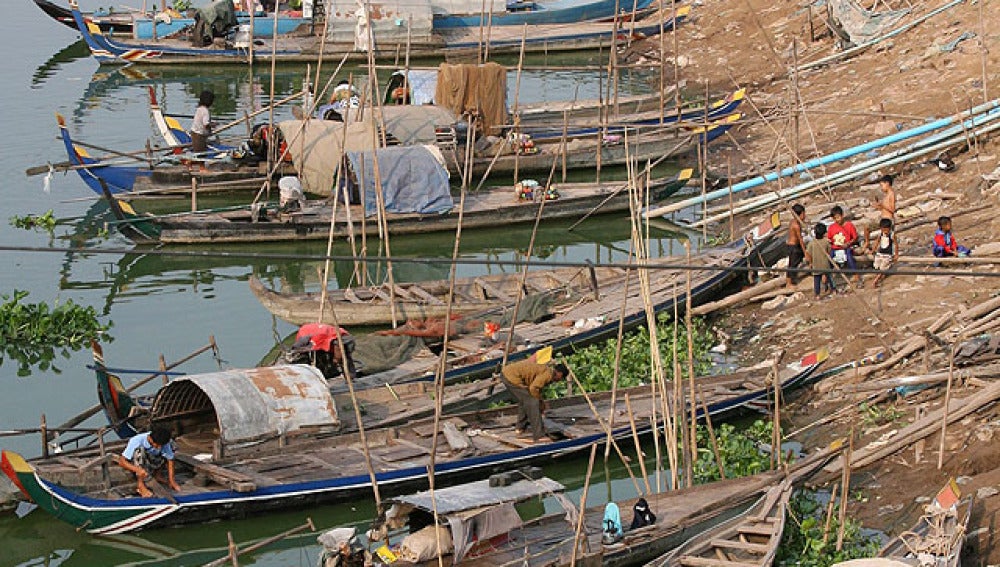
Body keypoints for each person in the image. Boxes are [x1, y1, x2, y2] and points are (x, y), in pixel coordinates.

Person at [499, 358, 568, 443]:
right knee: (533, 403)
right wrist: (539, 402)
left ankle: (520, 427)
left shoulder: (547, 371)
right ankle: (539, 435)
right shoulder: (548, 374)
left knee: (525, 400)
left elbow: (537, 389)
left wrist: (541, 402)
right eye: (561, 378)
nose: (559, 381)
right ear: (559, 374)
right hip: (511, 377)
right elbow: (533, 388)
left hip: (507, 373)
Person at [117, 425, 180, 498]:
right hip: (139, 461)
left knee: (172, 446)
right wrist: (138, 469)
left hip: (154, 459)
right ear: (151, 439)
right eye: (157, 445)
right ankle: (140, 485)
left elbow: (170, 459)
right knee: (140, 451)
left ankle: (158, 475)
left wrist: (172, 481)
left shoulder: (163, 443)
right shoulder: (137, 440)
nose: (159, 447)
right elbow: (121, 461)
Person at [827, 205, 862, 288]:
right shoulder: (831, 227)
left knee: (850, 258)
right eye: (835, 218)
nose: (837, 220)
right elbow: (829, 239)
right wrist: (830, 242)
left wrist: (849, 243)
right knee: (829, 261)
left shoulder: (849, 225)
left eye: (838, 217)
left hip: (846, 247)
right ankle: (829, 280)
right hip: (835, 248)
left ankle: (857, 277)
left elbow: (855, 237)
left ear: (842, 215)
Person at [865, 174, 897, 248]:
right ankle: (867, 243)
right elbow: (885, 208)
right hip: (882, 218)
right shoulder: (886, 195)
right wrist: (878, 206)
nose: (881, 188)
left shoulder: (891, 194)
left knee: (885, 241)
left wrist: (882, 205)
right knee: (867, 227)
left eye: (882, 185)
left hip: (888, 220)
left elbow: (892, 209)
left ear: (887, 183)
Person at [806, 223, 836, 299]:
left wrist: (810, 263)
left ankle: (817, 294)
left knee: (817, 280)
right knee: (830, 277)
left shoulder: (811, 243)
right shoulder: (826, 242)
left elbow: (808, 254)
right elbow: (829, 251)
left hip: (816, 265)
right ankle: (834, 289)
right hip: (825, 264)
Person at [868, 218, 898, 288]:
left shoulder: (892, 235)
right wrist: (873, 249)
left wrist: (896, 254)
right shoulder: (881, 234)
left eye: (886, 230)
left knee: (883, 267)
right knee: (876, 265)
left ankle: (875, 281)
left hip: (887, 254)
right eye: (883, 230)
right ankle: (882, 274)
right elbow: (877, 242)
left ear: (890, 228)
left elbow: (896, 245)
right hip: (880, 253)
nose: (885, 231)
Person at [786, 204, 807, 288]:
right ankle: (788, 282)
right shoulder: (796, 225)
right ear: (800, 214)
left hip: (794, 245)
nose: (805, 215)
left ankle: (793, 277)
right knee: (792, 264)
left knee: (797, 261)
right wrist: (805, 251)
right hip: (793, 246)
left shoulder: (794, 222)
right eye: (803, 214)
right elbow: (800, 239)